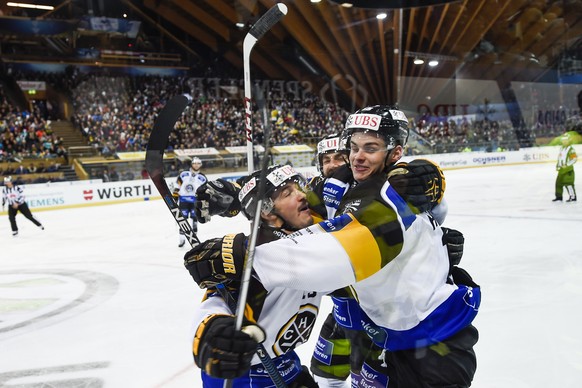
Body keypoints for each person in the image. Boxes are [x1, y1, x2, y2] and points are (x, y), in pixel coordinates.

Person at [186, 105, 479, 387]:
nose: (357, 158)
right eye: (353, 147)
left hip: (432, 343)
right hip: (386, 336)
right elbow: (299, 202)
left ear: (395, 153)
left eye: (371, 148)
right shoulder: (341, 184)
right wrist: (239, 195)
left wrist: (244, 256)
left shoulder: (397, 193)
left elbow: (338, 257)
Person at [189, 165, 319, 388]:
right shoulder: (254, 255)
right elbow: (217, 301)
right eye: (287, 193)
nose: (301, 195)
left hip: (284, 362)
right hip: (243, 374)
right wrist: (214, 332)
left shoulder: (313, 237)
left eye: (299, 188)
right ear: (267, 212)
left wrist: (237, 188)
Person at [174, 157, 207, 247]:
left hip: (195, 201)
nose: (196, 165)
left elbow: (204, 190)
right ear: (192, 164)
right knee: (182, 220)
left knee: (195, 221)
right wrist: (175, 197)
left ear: (200, 165)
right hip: (183, 201)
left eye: (198, 163)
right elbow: (177, 186)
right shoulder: (184, 174)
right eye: (194, 163)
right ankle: (182, 240)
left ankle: (194, 240)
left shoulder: (203, 178)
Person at [553, 133, 577, 202]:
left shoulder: (571, 149)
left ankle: (572, 197)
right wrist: (558, 165)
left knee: (568, 183)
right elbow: (560, 158)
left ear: (569, 140)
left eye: (566, 140)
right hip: (561, 170)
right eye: (563, 140)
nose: (564, 141)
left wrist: (567, 165)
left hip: (568, 170)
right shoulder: (562, 148)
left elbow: (574, 159)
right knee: (558, 184)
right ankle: (559, 197)